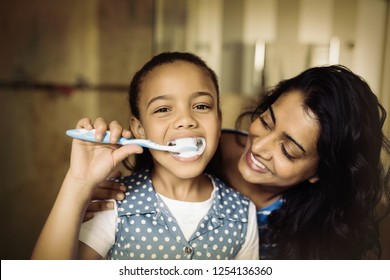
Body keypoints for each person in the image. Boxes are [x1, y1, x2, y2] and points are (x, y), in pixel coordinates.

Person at [84, 65, 390, 259]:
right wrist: (87, 189)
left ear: (319, 173)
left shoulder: (326, 231)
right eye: (267, 122)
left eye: (290, 151)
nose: (260, 146)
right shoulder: (195, 148)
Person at [31, 52, 259, 260]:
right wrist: (78, 183)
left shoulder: (242, 213)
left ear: (218, 122)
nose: (186, 119)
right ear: (139, 129)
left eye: (201, 106)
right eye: (163, 109)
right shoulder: (113, 204)